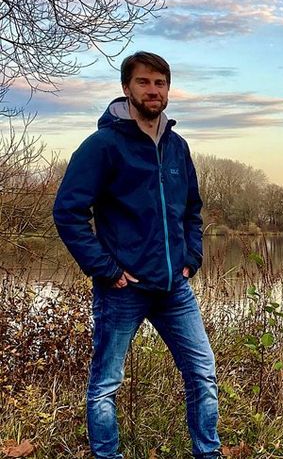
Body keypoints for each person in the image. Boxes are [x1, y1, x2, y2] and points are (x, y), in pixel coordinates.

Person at [53, 52, 220, 458]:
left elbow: (192, 211)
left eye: (160, 83)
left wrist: (191, 257)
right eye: (144, 82)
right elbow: (68, 211)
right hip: (122, 288)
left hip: (173, 288)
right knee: (106, 385)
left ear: (168, 90)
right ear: (127, 88)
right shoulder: (103, 146)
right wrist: (106, 269)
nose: (153, 90)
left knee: (203, 375)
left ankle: (208, 452)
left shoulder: (177, 147)